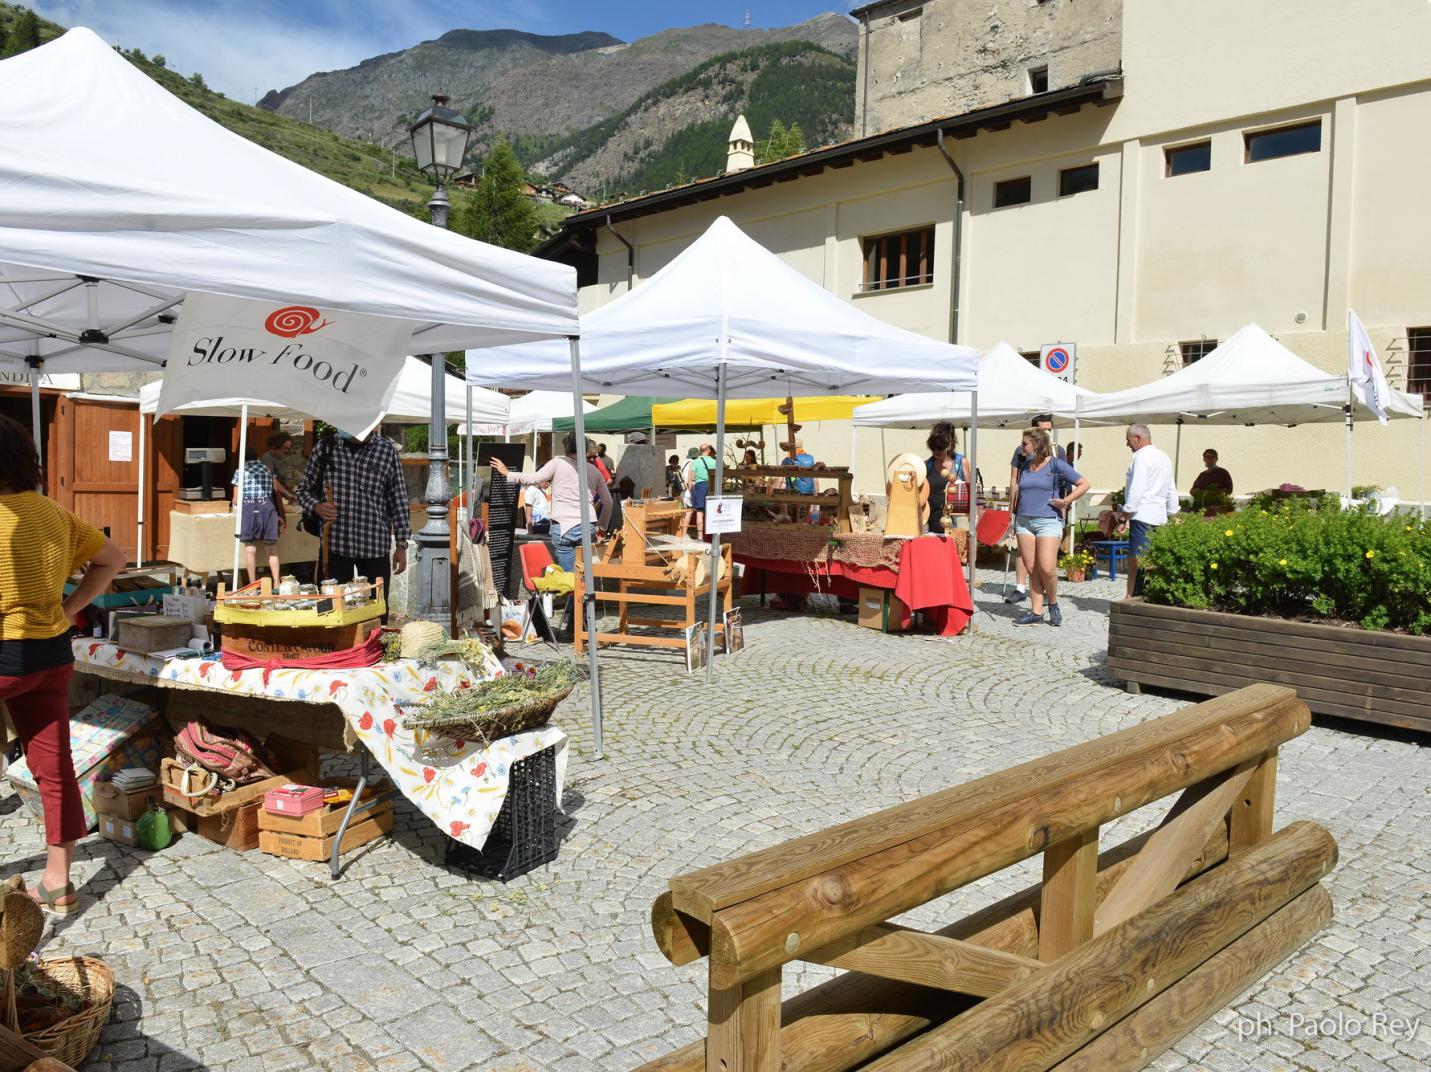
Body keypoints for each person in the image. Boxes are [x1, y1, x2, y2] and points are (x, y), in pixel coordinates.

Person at [0, 414, 126, 914]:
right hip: (51, 655)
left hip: (6, 653)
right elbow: (113, 558)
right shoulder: (52, 513)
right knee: (53, 769)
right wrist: (68, 609)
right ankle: (58, 881)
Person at [296, 428, 409, 608]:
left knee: (376, 610)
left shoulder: (387, 452)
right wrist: (317, 507)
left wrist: (402, 544)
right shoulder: (326, 448)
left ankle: (375, 637)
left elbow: (399, 499)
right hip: (335, 543)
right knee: (330, 609)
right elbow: (303, 491)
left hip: (374, 545)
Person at [490, 433, 612, 572]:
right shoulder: (594, 471)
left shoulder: (557, 463)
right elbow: (608, 502)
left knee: (568, 576)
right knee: (585, 574)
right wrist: (602, 527)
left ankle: (573, 593)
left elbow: (533, 479)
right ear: (585, 449)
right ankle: (583, 593)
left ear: (566, 447)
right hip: (587, 524)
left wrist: (508, 473)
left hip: (562, 526)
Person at [1009, 427, 1089, 627]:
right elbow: (1017, 489)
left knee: (1047, 567)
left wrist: (1066, 501)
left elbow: (1084, 483)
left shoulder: (1055, 464)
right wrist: (1012, 515)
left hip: (1048, 521)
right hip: (1024, 521)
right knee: (1031, 567)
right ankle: (1036, 611)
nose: (1022, 447)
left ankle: (1052, 603)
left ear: (1037, 444)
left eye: (1025, 443)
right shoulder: (1025, 465)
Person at [1006, 413, 1066, 603]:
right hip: (1026, 506)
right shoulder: (1021, 451)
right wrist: (1011, 505)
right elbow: (1014, 478)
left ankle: (1047, 594)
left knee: (1045, 557)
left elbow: (1064, 480)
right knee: (1024, 552)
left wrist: (1065, 502)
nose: (1047, 433)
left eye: (1049, 429)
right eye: (1043, 429)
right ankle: (1020, 587)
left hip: (1048, 508)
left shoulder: (1058, 451)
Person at [1119, 423, 1179, 597]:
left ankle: (1131, 598)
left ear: (1137, 438)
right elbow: (1171, 488)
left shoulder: (1141, 457)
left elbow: (1136, 489)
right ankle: (1149, 595)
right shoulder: (1164, 457)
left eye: (1128, 440)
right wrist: (1172, 511)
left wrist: (1125, 515)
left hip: (1143, 515)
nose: (1127, 444)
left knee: (1136, 560)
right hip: (1159, 516)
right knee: (1153, 560)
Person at [232, 447, 286, 585]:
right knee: (271, 549)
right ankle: (276, 584)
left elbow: (236, 499)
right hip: (268, 507)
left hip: (249, 507)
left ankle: (252, 584)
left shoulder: (240, 472)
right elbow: (275, 489)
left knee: (250, 548)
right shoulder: (268, 469)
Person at [925, 423, 971, 534]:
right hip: (931, 520)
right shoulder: (927, 465)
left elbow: (970, 492)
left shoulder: (960, 463)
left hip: (953, 521)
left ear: (949, 445)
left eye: (940, 448)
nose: (936, 451)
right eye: (933, 447)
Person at [682, 445, 718, 537]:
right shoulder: (715, 462)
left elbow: (691, 479)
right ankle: (712, 535)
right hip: (713, 487)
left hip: (699, 486)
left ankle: (700, 536)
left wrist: (693, 492)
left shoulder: (695, 462)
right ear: (709, 450)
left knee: (699, 512)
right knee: (714, 511)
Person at [258, 431, 300, 504]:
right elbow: (272, 480)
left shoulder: (280, 457)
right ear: (276, 446)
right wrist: (287, 493)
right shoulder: (267, 458)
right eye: (285, 448)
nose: (287, 451)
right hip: (271, 498)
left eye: (288, 448)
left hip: (282, 497)